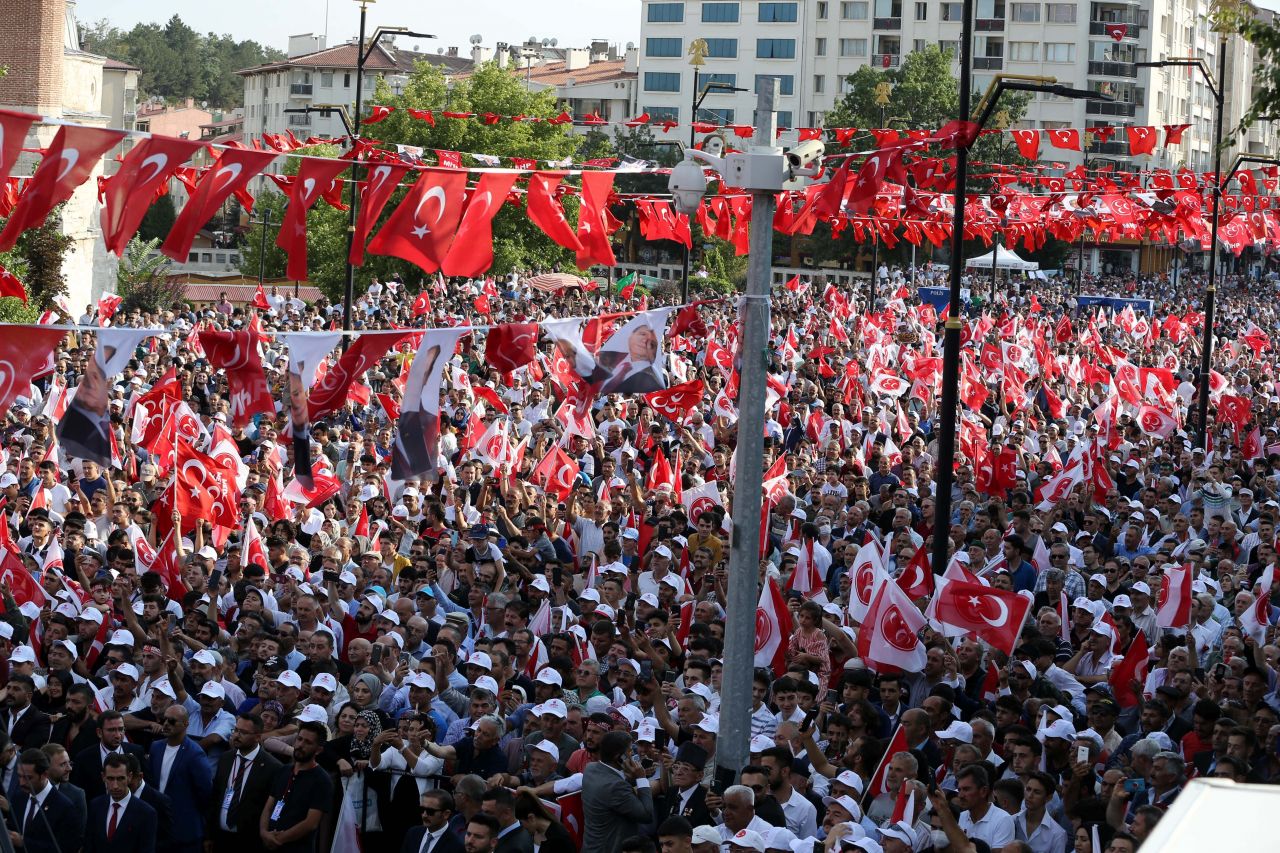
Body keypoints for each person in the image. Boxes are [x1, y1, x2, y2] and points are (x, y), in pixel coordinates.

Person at [208, 713, 282, 852]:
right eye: (235, 730)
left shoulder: (272, 767)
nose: (236, 735)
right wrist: (209, 835)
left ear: (258, 737)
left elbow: (271, 808)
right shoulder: (226, 758)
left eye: (243, 732)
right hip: (220, 838)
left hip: (250, 842)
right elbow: (215, 797)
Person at [146, 705, 211, 853]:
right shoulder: (156, 747)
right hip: (159, 827)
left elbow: (205, 792)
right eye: (164, 720)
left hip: (185, 830)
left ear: (186, 724)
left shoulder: (195, 754)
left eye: (172, 721)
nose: (166, 724)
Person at [259, 721, 333, 853]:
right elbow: (268, 807)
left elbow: (311, 823)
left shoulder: (322, 780)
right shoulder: (283, 771)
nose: (300, 745)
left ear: (318, 750)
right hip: (269, 844)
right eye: (299, 739)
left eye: (308, 742)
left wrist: (279, 839)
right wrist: (264, 833)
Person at [580, 731, 654, 852]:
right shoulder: (615, 787)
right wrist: (641, 778)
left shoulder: (590, 769)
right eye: (630, 751)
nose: (633, 754)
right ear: (619, 757)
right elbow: (647, 815)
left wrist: (629, 778)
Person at [7, 747, 83, 853]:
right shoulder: (19, 797)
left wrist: (24, 843)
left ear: (44, 775)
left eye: (28, 778)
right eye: (19, 776)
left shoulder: (65, 807)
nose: (21, 783)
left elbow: (65, 849)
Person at [84, 753, 158, 853]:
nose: (115, 786)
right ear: (103, 777)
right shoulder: (95, 806)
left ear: (129, 777)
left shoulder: (146, 813)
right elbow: (89, 846)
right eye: (110, 778)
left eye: (120, 779)